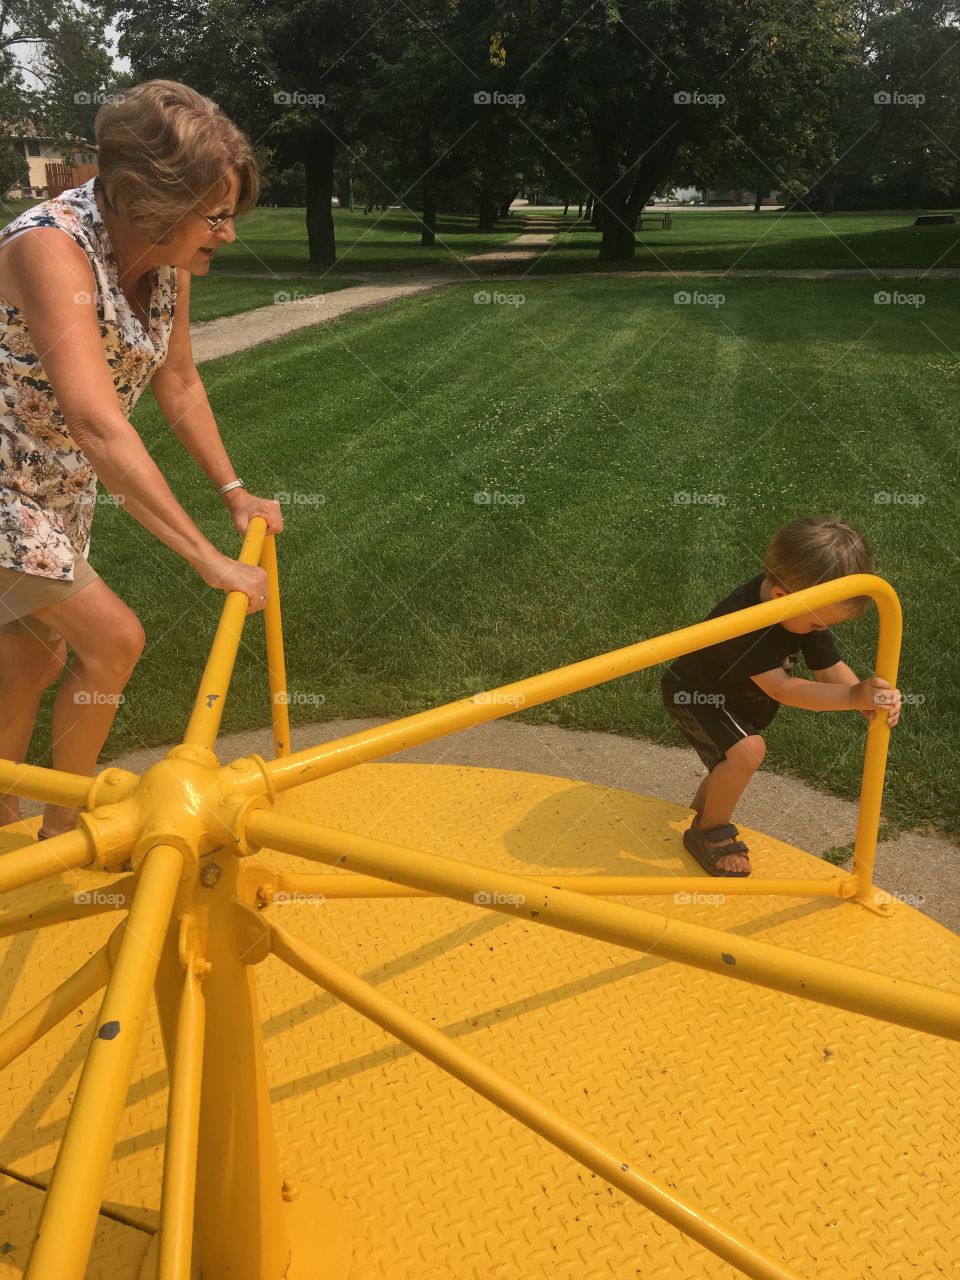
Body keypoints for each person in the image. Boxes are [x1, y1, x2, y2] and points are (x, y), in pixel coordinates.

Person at [0, 79, 283, 842]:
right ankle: (68, 828)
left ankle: (11, 819)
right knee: (113, 640)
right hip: (5, 489)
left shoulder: (164, 262)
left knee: (31, 661)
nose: (227, 234)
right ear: (148, 200)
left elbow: (179, 379)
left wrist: (234, 493)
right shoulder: (48, 248)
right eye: (216, 215)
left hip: (54, 490)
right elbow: (95, 420)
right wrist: (207, 559)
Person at [660, 516, 902, 877]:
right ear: (780, 598)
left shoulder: (801, 608)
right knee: (747, 751)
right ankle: (709, 831)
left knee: (734, 757)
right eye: (819, 624)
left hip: (734, 694)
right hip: (694, 691)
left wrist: (868, 697)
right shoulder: (745, 620)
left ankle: (706, 811)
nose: (821, 631)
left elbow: (829, 667)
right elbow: (782, 688)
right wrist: (852, 696)